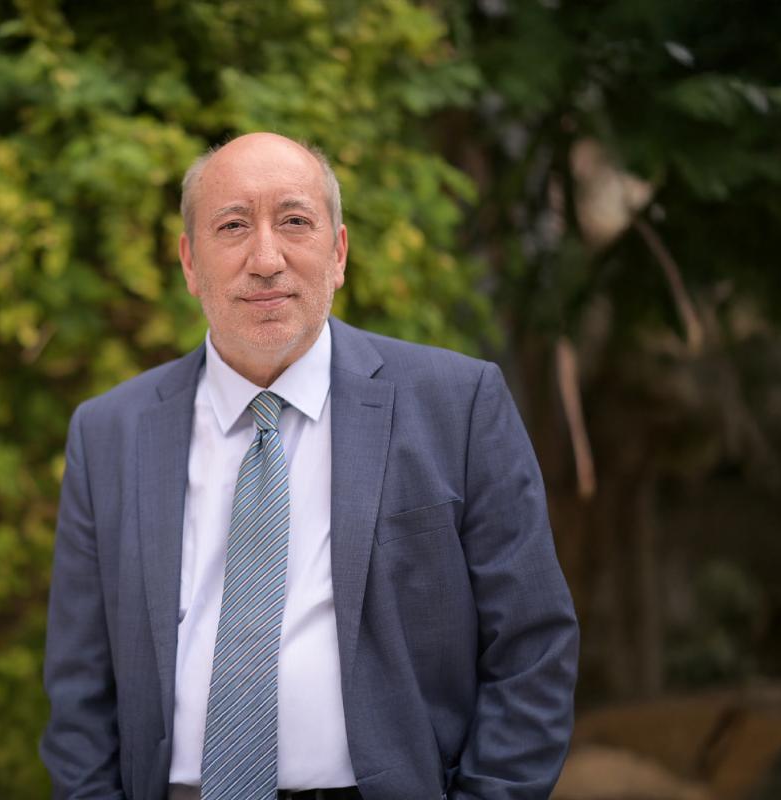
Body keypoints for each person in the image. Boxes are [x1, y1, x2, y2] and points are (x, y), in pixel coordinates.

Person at [40, 132, 579, 800]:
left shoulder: (457, 406)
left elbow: (532, 647)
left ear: (339, 252)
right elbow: (79, 691)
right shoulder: (109, 434)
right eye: (233, 226)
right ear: (189, 263)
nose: (266, 259)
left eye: (294, 221)